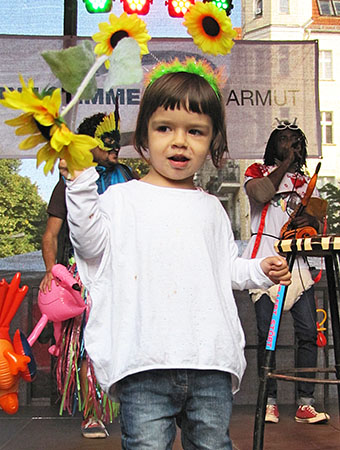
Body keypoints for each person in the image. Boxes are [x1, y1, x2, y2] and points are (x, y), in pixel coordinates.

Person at [60, 59, 291, 449]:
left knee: (213, 444)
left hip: (209, 360)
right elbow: (89, 247)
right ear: (144, 138)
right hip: (144, 362)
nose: (180, 141)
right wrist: (80, 183)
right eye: (165, 128)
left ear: (213, 142)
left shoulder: (212, 208)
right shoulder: (120, 199)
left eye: (195, 131)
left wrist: (259, 270)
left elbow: (225, 269)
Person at [39, 109, 137, 439]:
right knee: (86, 345)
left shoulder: (128, 176)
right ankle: (93, 413)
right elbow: (50, 234)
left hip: (124, 275)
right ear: (87, 145)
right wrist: (53, 272)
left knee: (126, 340)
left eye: (117, 143)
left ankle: (132, 407)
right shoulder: (69, 182)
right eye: (107, 142)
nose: (115, 148)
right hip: (82, 278)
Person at [242, 119, 330, 424]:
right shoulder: (256, 172)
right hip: (264, 262)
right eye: (284, 140)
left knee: (308, 333)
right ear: (272, 145)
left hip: (299, 267)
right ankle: (269, 401)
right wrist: (287, 164)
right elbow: (262, 194)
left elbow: (318, 224)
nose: (290, 145)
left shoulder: (307, 183)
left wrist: (310, 218)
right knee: (268, 335)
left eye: (296, 141)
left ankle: (306, 402)